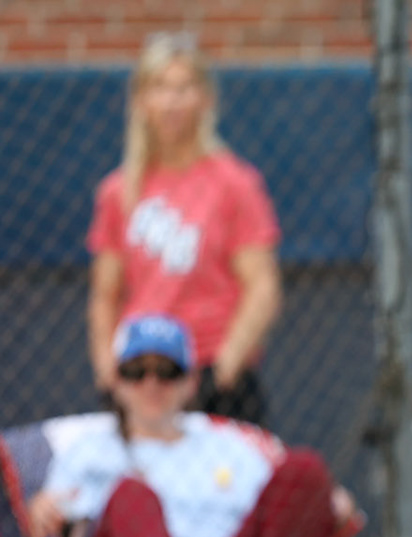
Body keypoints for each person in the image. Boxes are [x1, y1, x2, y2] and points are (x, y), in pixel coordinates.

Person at [26, 314, 359, 537]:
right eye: (136, 372)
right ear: (116, 381)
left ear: (191, 382)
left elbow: (276, 510)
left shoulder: (230, 442)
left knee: (304, 468)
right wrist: (43, 513)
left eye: (167, 372)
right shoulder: (88, 448)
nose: (151, 384)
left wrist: (321, 500)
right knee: (131, 492)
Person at [87, 33, 282, 428]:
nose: (172, 101)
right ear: (141, 102)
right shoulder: (119, 191)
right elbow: (104, 294)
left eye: (184, 88)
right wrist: (109, 368)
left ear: (206, 99)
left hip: (211, 369)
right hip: (144, 373)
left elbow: (262, 287)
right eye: (160, 88)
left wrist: (227, 364)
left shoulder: (234, 183)